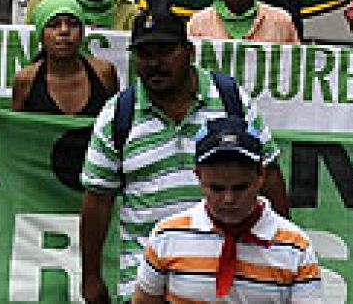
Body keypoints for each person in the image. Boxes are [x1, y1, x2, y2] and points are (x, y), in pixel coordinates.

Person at [81, 11, 288, 304]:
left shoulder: (231, 100)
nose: (155, 63)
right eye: (144, 53)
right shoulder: (117, 115)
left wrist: (282, 254)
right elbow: (97, 200)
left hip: (227, 286)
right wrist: (90, 276)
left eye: (165, 51)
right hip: (146, 289)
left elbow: (270, 177)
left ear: (189, 52)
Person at [133, 116, 323, 303]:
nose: (229, 199)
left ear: (260, 176)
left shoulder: (295, 247)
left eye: (241, 188)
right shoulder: (166, 236)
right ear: (198, 175)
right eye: (216, 188)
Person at [11, 0, 119, 115]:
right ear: (41, 34)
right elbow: (16, 130)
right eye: (54, 25)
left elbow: (115, 123)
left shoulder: (104, 73)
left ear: (82, 32)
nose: (64, 31)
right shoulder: (25, 80)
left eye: (73, 24)